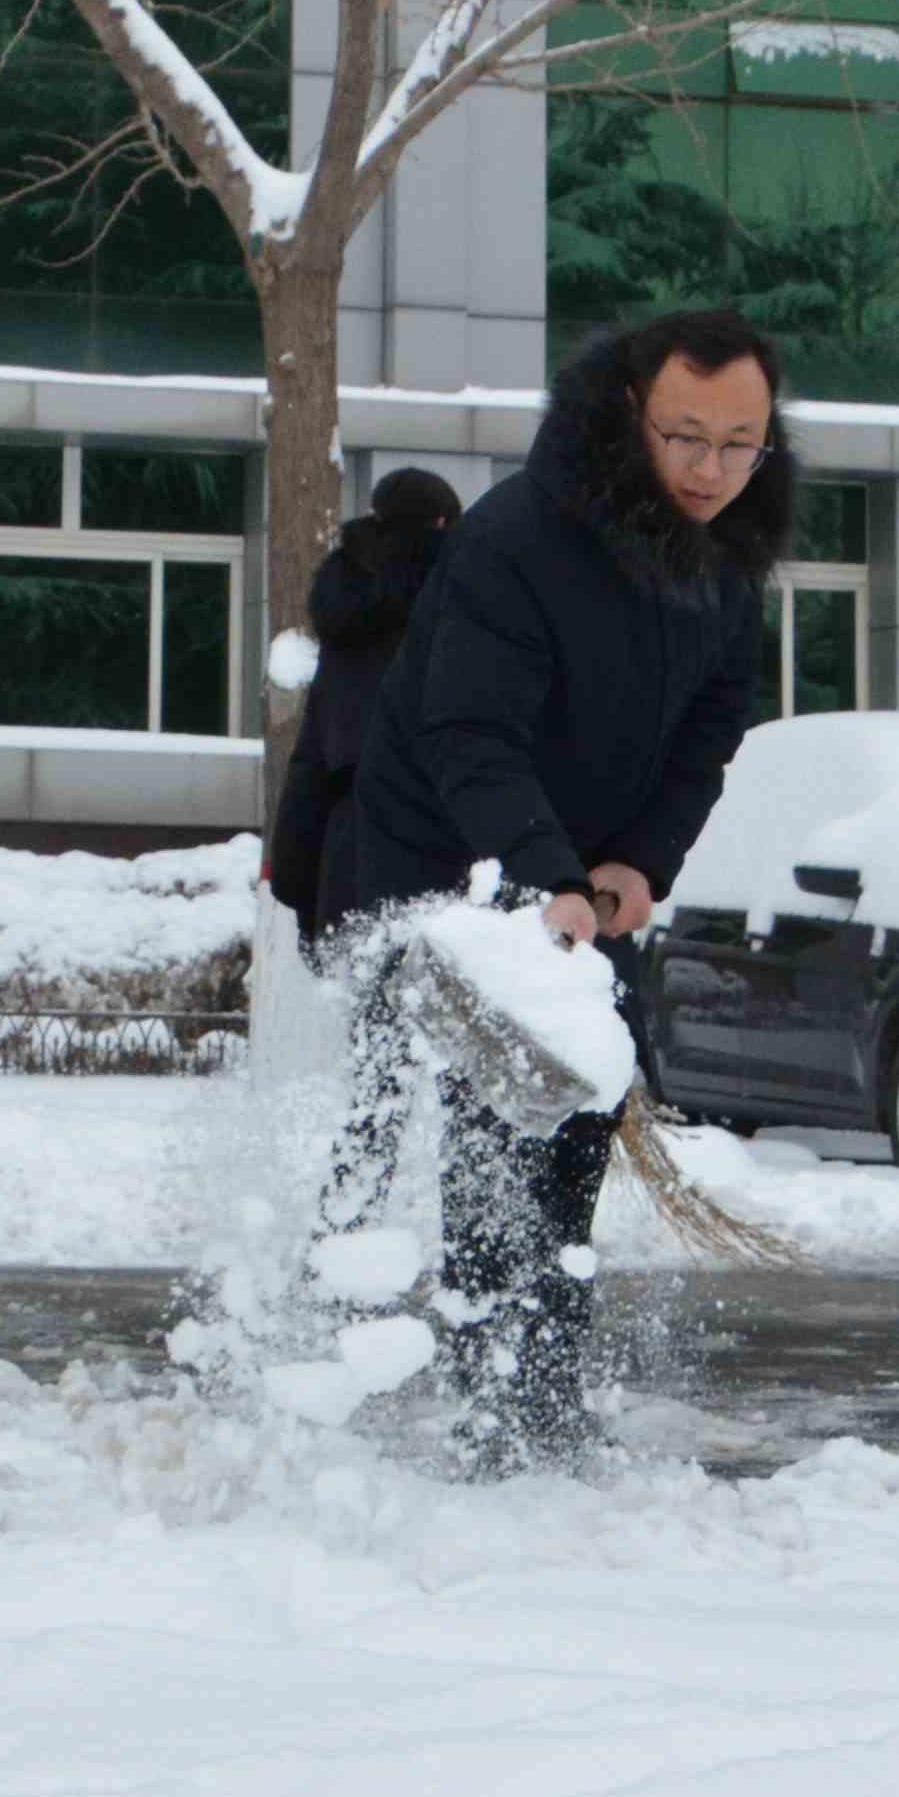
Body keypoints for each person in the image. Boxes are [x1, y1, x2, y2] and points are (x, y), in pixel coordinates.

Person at [324, 314, 781, 1465]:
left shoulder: (731, 558)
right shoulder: (521, 536)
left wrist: (638, 863)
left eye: (740, 444)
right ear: (631, 413)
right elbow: (469, 730)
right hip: (450, 849)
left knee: (576, 1116)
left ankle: (543, 1392)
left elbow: (712, 731)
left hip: (587, 865)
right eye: (685, 435)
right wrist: (543, 876)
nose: (711, 469)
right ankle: (488, 1403)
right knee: (496, 1120)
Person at [259, 466, 460, 938]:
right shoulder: (465, 618)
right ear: (443, 525)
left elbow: (311, 764)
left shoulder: (345, 636)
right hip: (447, 856)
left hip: (349, 864)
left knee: (360, 980)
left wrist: (296, 880)